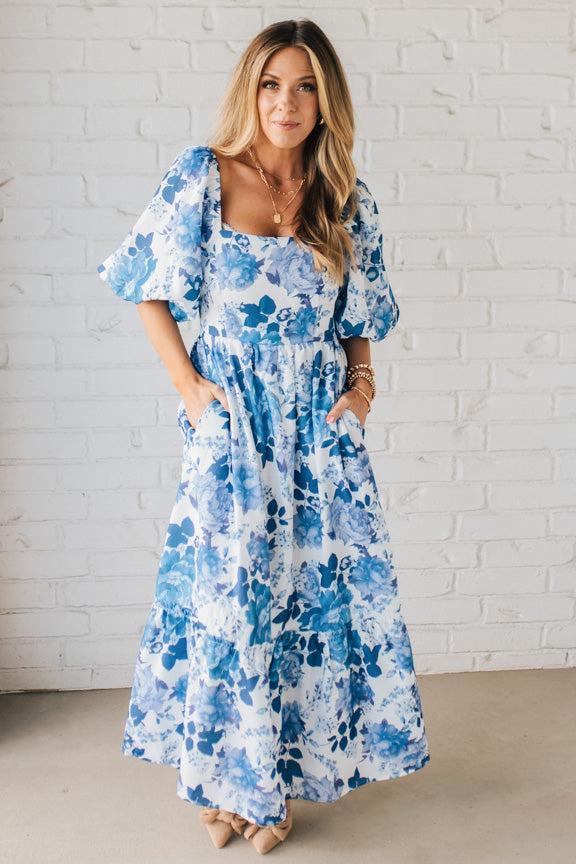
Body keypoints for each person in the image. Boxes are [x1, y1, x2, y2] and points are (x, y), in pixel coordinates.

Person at [97, 18, 430, 856]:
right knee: (232, 598)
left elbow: (360, 317)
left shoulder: (344, 194)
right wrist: (191, 392)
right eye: (273, 83)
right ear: (251, 89)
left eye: (307, 85)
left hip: (320, 434)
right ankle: (230, 780)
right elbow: (146, 287)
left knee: (311, 607)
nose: (287, 101)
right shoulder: (203, 178)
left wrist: (362, 387)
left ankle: (275, 789)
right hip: (235, 427)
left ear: (327, 100)